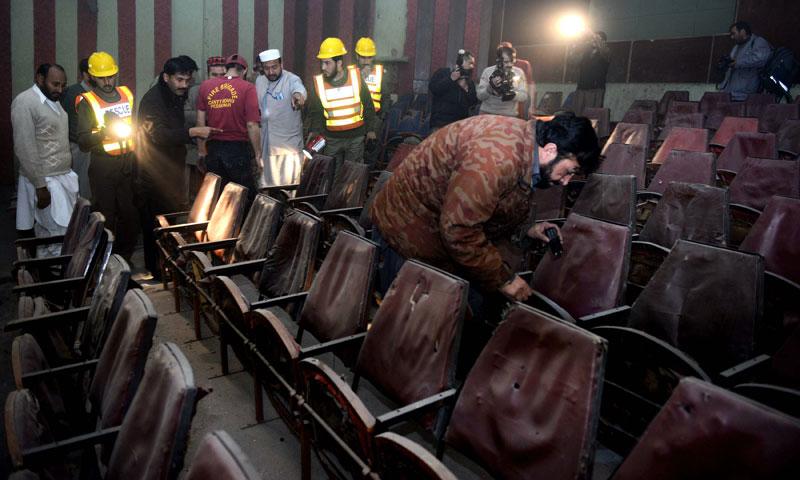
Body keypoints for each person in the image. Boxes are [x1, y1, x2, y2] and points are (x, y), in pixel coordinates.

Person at [369, 113, 600, 373]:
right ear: (550, 149)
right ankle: (417, 397)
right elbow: (459, 230)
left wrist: (528, 229)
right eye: (569, 171)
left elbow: (493, 203)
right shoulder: (497, 157)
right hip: (406, 232)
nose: (565, 181)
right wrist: (505, 279)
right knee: (413, 338)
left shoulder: (524, 146)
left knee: (463, 319)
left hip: (436, 229)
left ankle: (450, 385)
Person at [137, 57, 221, 278]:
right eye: (180, 79)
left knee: (171, 222)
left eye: (188, 80)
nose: (185, 85)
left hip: (171, 169)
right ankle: (156, 270)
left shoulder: (174, 95)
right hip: (153, 172)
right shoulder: (153, 100)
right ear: (166, 77)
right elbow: (158, 135)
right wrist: (193, 132)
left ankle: (168, 265)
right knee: (156, 224)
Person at [76, 51, 139, 263]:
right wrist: (104, 133)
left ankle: (124, 258)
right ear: (92, 77)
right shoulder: (88, 101)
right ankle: (105, 261)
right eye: (102, 77)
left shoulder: (127, 95)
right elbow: (83, 140)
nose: (107, 82)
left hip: (127, 163)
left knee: (130, 215)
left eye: (111, 76)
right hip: (103, 166)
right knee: (107, 215)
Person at [12, 63, 78, 257]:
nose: (60, 90)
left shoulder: (53, 100)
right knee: (61, 233)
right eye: (55, 84)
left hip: (60, 176)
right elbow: (24, 148)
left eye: (63, 85)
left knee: (47, 234)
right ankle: (62, 280)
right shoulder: (25, 102)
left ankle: (46, 278)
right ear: (40, 80)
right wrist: (40, 186)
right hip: (46, 181)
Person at [196, 53, 262, 204]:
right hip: (237, 150)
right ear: (244, 71)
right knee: (244, 198)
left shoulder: (206, 86)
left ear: (226, 68)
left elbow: (200, 122)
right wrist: (258, 154)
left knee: (218, 197)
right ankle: (244, 227)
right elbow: (252, 124)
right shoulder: (248, 88)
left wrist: (201, 151)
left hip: (214, 148)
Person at [308, 37, 377, 171]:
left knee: (352, 176)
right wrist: (316, 131)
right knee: (332, 177)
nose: (323, 67)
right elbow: (316, 112)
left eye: (327, 63)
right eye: (322, 63)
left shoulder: (356, 77)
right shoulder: (319, 82)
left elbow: (368, 105)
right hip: (331, 140)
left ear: (339, 63)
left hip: (355, 138)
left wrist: (371, 130)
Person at [255, 48, 306, 188]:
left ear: (282, 64)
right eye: (266, 68)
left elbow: (299, 89)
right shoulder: (260, 81)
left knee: (288, 192)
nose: (271, 72)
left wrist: (298, 96)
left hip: (288, 150)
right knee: (266, 191)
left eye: (274, 67)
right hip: (266, 146)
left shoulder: (291, 79)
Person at [184, 56, 227, 202]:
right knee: (196, 195)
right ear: (207, 75)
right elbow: (184, 114)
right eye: (214, 75)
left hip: (222, 150)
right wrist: (207, 114)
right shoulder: (195, 91)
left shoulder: (232, 91)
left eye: (222, 75)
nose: (218, 79)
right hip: (197, 149)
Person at [60, 57, 93, 199]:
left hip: (97, 145)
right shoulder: (71, 93)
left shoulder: (100, 92)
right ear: (85, 75)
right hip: (79, 148)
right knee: (82, 188)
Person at [428, 49, 478, 132]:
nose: (473, 66)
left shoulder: (469, 81)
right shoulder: (442, 73)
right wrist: (450, 79)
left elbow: (473, 102)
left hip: (460, 125)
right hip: (440, 124)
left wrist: (466, 88)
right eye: (471, 63)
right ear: (462, 61)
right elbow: (434, 89)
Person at [720, 22, 772, 101]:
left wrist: (737, 62)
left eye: (733, 33)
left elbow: (760, 59)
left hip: (745, 94)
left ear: (743, 32)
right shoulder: (737, 46)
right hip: (730, 93)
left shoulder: (758, 42)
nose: (732, 37)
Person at [477, 45, 529, 117]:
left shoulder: (519, 72)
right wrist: (490, 87)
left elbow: (524, 96)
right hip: (487, 113)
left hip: (509, 115)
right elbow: (480, 96)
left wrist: (511, 94)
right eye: (506, 62)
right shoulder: (487, 72)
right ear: (498, 60)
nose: (510, 65)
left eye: (512, 62)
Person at [569, 31, 609, 116]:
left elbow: (604, 50)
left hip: (596, 89)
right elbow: (573, 63)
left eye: (597, 39)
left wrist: (593, 36)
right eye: (592, 39)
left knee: (592, 116)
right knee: (576, 114)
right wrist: (574, 47)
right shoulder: (585, 53)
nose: (593, 40)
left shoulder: (605, 53)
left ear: (604, 42)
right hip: (581, 88)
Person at [498, 41, 536, 118]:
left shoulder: (523, 64)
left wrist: (532, 105)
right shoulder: (498, 67)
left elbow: (530, 85)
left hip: (520, 104)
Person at [354, 37, 388, 114]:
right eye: (363, 57)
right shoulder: (350, 72)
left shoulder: (379, 72)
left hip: (374, 116)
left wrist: (382, 117)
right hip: (355, 117)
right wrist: (361, 77)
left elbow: (385, 97)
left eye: (369, 57)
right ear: (357, 56)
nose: (366, 61)